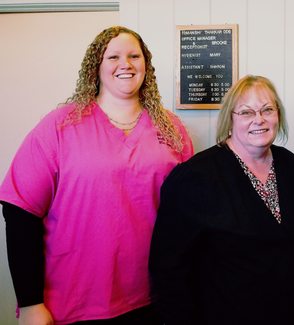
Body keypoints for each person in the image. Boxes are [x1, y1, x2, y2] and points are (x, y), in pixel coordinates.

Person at [0, 26, 194, 324]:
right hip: (75, 302)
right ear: (96, 66)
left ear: (146, 65)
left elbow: (188, 215)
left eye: (134, 56)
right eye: (113, 56)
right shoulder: (60, 126)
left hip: (154, 298)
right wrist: (30, 302)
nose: (125, 64)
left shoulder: (171, 129)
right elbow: (20, 211)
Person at [149, 74, 294, 325]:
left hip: (290, 314)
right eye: (247, 112)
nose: (259, 119)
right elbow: (169, 268)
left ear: (278, 116)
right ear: (230, 119)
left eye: (267, 110)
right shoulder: (194, 178)